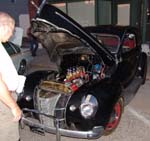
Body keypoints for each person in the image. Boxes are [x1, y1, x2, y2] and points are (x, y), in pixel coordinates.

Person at [0, 12, 26, 141]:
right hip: (3, 103)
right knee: (9, 137)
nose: (11, 34)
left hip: (4, 100)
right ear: (3, 27)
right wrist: (14, 107)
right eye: (11, 30)